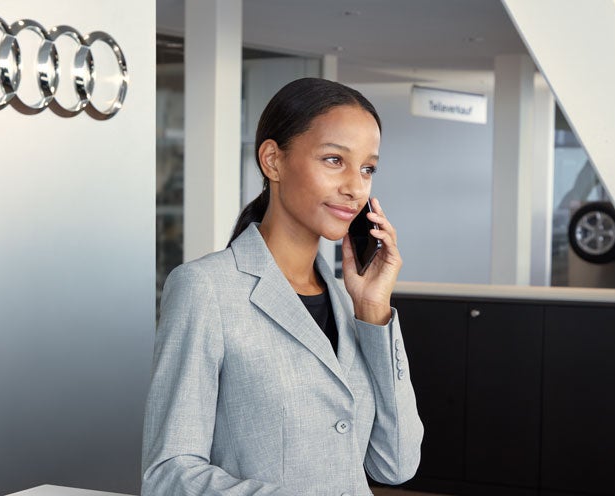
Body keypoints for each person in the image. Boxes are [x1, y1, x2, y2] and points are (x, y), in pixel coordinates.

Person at [141, 77, 423, 495]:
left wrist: (374, 311)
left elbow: (395, 464)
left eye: (367, 168)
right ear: (273, 160)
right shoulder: (207, 289)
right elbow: (168, 473)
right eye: (334, 160)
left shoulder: (352, 304)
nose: (355, 187)